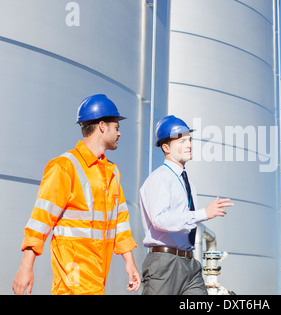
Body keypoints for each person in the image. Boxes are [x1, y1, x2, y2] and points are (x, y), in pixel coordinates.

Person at [12, 94, 141, 295]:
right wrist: (25, 267)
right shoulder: (64, 167)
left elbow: (121, 220)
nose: (119, 133)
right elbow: (41, 219)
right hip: (74, 271)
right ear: (102, 126)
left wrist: (129, 262)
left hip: (98, 271)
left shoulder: (112, 171)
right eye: (117, 127)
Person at [139, 115, 234, 295]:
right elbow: (161, 220)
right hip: (164, 264)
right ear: (166, 147)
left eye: (189, 140)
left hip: (189, 263)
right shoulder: (160, 178)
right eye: (182, 141)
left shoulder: (186, 181)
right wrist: (203, 213)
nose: (189, 145)